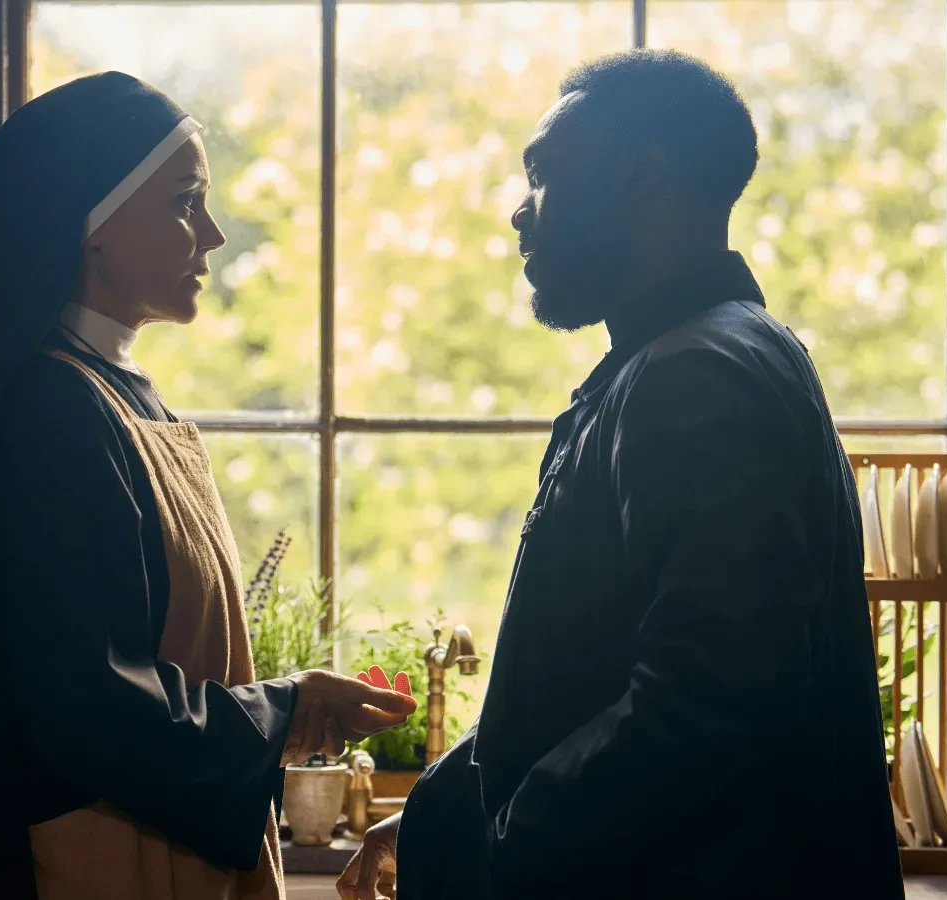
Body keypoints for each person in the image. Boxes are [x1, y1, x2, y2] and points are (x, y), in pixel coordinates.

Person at [338, 50, 903, 900]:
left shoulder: (694, 375)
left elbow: (708, 701)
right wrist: (441, 813)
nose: (519, 213)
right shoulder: (713, 350)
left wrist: (493, 850)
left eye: (543, 173)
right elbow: (589, 679)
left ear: (640, 174)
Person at [0, 72, 416, 900]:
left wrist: (276, 712)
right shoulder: (50, 412)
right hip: (87, 865)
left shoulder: (109, 390)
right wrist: (279, 708)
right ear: (91, 227)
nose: (211, 234)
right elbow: (88, 705)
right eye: (184, 202)